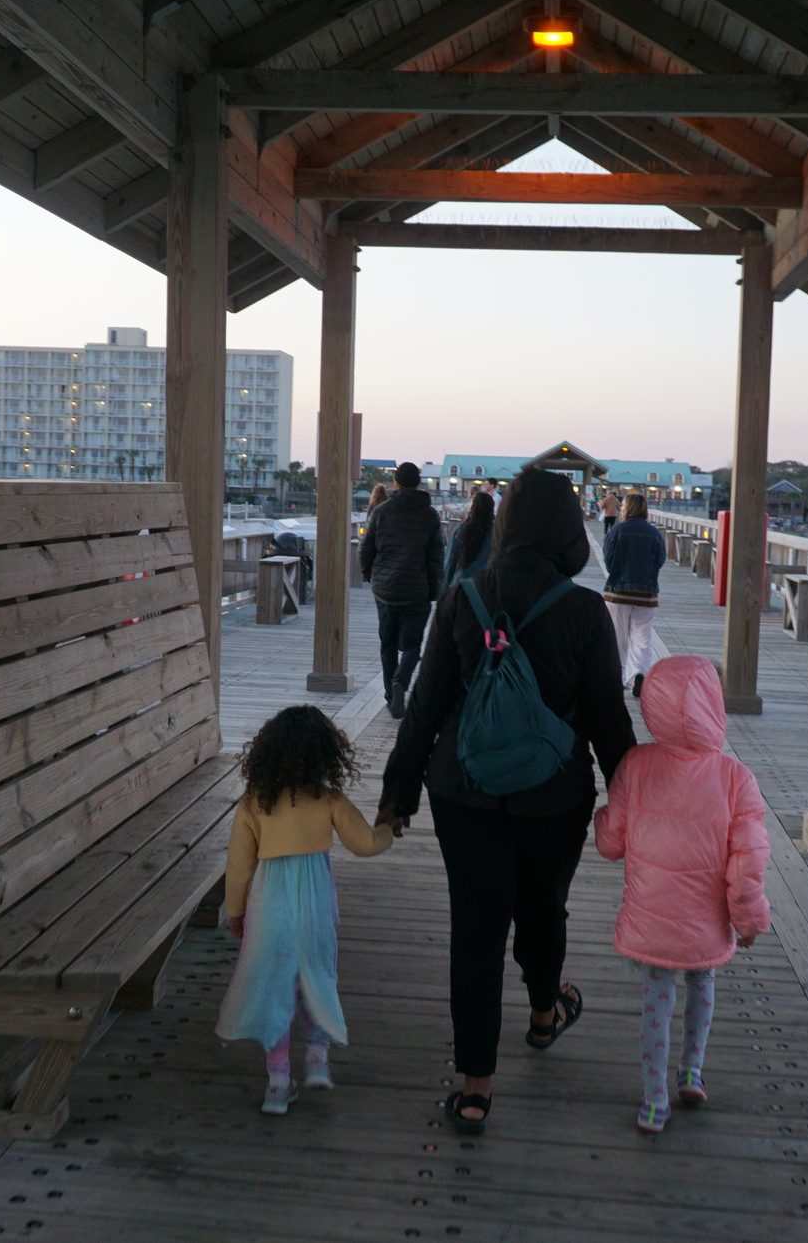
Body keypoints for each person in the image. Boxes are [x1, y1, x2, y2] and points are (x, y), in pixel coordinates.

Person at [379, 468, 636, 1136]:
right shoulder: (584, 611)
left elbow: (426, 704)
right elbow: (609, 722)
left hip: (463, 789)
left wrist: (397, 792)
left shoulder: (463, 596)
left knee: (477, 929)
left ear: (505, 524)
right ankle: (546, 1015)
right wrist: (635, 810)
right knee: (543, 907)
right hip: (554, 796)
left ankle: (474, 1089)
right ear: (567, 528)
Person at [594, 655, 771, 1134]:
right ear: (714, 708)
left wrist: (600, 821)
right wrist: (749, 921)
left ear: (653, 705)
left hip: (652, 917)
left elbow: (611, 843)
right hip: (706, 919)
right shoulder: (736, 779)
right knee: (702, 984)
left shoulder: (636, 764)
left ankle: (654, 1101)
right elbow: (749, 861)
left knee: (657, 1000)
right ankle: (692, 1071)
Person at [216, 706, 396, 1115]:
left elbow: (239, 868)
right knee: (316, 975)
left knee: (274, 987)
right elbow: (365, 844)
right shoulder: (329, 799)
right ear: (325, 754)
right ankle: (317, 1058)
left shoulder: (253, 804)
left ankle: (278, 1083)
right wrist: (389, 828)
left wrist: (237, 913)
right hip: (315, 905)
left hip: (269, 906)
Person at [360, 462, 444, 718]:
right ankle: (401, 682)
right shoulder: (430, 515)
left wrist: (369, 576)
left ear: (395, 482)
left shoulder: (381, 511)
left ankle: (389, 694)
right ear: (418, 483)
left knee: (387, 643)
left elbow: (366, 549)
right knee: (411, 645)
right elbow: (435, 557)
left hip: (384, 590)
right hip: (415, 590)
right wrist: (433, 590)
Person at [603, 492, 665, 698]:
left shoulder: (618, 530)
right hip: (647, 594)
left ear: (627, 508)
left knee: (617, 637)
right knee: (642, 638)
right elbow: (660, 560)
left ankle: (617, 679)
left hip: (618, 593)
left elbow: (608, 558)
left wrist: (618, 572)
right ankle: (639, 674)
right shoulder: (654, 533)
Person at [441, 491, 495, 590]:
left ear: (472, 508)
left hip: (460, 585)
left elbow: (449, 563)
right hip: (486, 588)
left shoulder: (461, 530)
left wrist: (444, 591)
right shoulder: (496, 534)